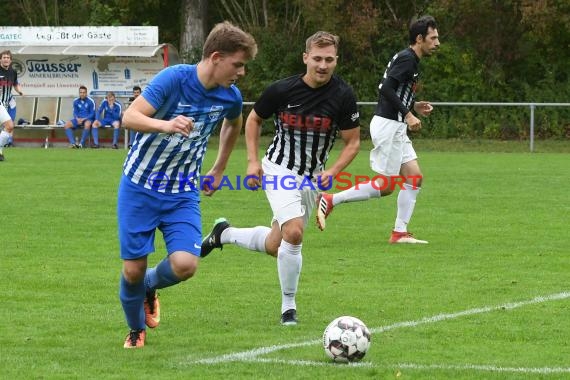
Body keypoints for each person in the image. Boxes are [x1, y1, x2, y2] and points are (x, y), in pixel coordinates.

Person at [200, 31, 361, 325]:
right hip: (279, 170)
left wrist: (332, 172)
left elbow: (353, 142)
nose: (322, 65)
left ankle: (224, 234)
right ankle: (289, 307)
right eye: (317, 59)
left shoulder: (343, 96)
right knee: (295, 233)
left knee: (277, 244)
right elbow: (253, 120)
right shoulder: (282, 90)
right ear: (305, 58)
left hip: (311, 179)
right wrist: (252, 162)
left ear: (336, 60)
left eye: (329, 59)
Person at [118, 21, 257, 348]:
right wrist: (166, 124)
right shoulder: (174, 79)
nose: (241, 73)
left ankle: (149, 288)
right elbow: (130, 117)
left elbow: (233, 123)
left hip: (182, 192)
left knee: (185, 264)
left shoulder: (230, 96)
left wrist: (219, 168)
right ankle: (136, 331)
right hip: (140, 186)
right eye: (237, 64)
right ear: (216, 57)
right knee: (132, 271)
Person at [315, 15, 440, 244]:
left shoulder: (410, 59)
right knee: (387, 186)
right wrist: (409, 114)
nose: (437, 42)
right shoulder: (407, 59)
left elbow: (395, 92)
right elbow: (385, 88)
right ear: (420, 38)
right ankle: (331, 199)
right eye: (433, 38)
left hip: (396, 125)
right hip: (389, 125)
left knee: (414, 177)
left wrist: (413, 105)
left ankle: (399, 233)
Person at [0, 50, 23, 148]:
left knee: (9, 126)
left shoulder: (13, 72)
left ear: (10, 60)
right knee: (8, 126)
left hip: (7, 103)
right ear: (0, 59)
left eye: (8, 58)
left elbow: (15, 84)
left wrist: (19, 91)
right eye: (4, 58)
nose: (6, 59)